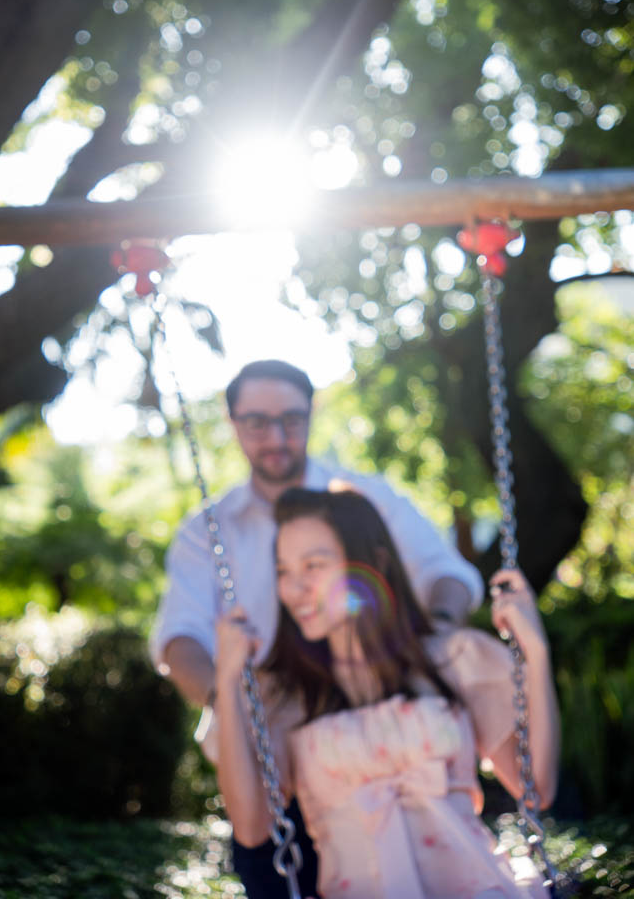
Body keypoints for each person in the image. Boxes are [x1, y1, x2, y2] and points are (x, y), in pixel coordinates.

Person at [150, 359, 485, 897]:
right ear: (233, 422)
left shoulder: (363, 499)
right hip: (273, 763)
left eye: (292, 419)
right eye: (257, 422)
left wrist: (437, 636)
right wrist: (234, 698)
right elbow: (179, 638)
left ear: (312, 414)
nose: (277, 437)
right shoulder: (205, 533)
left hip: (377, 751)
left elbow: (446, 575)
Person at [216, 487, 560, 899]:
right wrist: (228, 679)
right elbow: (252, 827)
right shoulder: (288, 695)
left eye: (314, 565)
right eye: (284, 571)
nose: (295, 589)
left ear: (372, 563)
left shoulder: (453, 659)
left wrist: (535, 654)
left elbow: (536, 788)